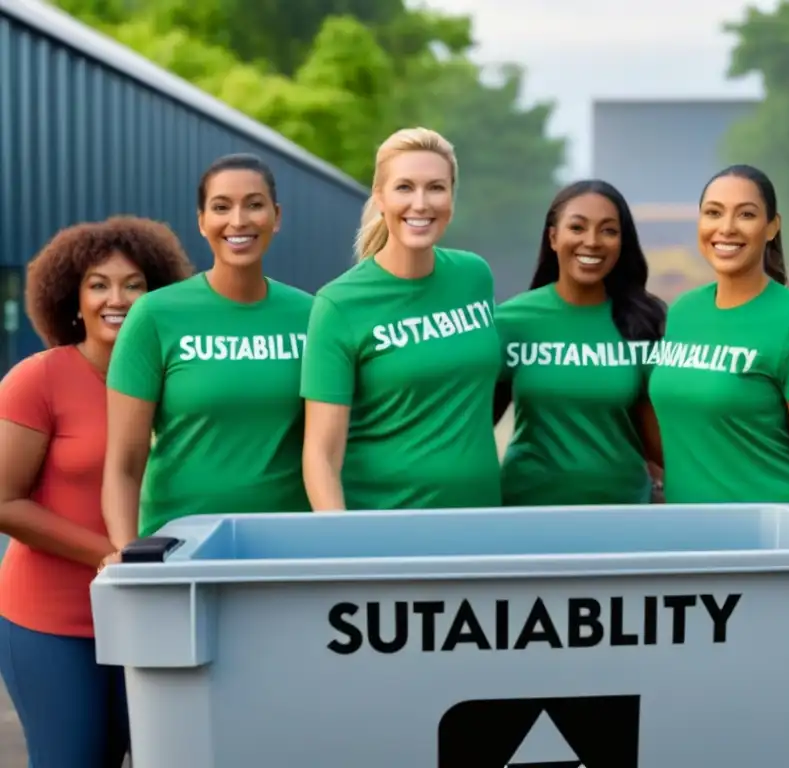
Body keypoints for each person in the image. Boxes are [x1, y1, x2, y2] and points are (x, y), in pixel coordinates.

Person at [0, 217, 193, 767]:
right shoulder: (38, 379)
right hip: (53, 622)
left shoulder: (182, 380)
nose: (118, 299)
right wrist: (113, 556)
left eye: (135, 284)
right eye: (98, 284)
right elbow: (4, 500)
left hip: (160, 614)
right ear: (72, 297)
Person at [101, 154, 314, 559]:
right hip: (180, 551)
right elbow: (123, 465)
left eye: (254, 204)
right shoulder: (154, 316)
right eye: (221, 207)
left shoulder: (312, 316)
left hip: (288, 550)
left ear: (276, 216)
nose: (239, 220)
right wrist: (128, 552)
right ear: (201, 221)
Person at [301, 127, 502, 510]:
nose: (422, 203)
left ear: (452, 196)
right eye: (405, 187)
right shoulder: (338, 304)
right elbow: (321, 457)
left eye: (436, 188)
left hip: (481, 518)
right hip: (385, 530)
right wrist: (341, 551)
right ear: (380, 197)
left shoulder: (475, 276)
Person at [648, 164, 789, 504]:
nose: (726, 228)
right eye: (713, 213)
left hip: (766, 539)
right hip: (685, 536)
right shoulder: (681, 312)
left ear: (771, 227)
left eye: (746, 214)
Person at [493, 180, 666, 506]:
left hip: (624, 512)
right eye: (577, 227)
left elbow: (660, 444)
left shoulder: (644, 322)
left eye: (608, 231)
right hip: (527, 510)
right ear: (553, 237)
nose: (592, 241)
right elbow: (472, 424)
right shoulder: (511, 321)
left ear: (621, 242)